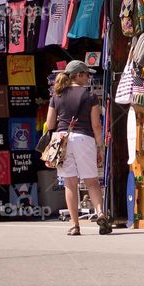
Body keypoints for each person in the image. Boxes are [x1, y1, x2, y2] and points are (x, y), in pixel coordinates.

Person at [44, 60, 111, 236]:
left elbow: (50, 124)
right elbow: (96, 125)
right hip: (84, 138)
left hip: (62, 139)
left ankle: (75, 225)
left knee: (70, 183)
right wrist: (100, 148)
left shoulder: (56, 95)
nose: (89, 77)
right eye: (86, 74)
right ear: (79, 75)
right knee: (92, 182)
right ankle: (100, 213)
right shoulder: (90, 96)